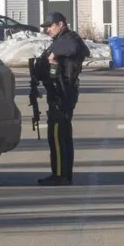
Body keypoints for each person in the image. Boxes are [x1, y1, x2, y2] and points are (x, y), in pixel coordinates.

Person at [36, 11, 88, 186]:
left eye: (50, 26)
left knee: (58, 136)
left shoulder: (70, 39)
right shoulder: (60, 40)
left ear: (61, 24)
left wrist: (55, 54)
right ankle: (62, 174)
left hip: (63, 94)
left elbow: (75, 49)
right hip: (57, 93)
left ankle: (60, 175)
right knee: (60, 136)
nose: (48, 30)